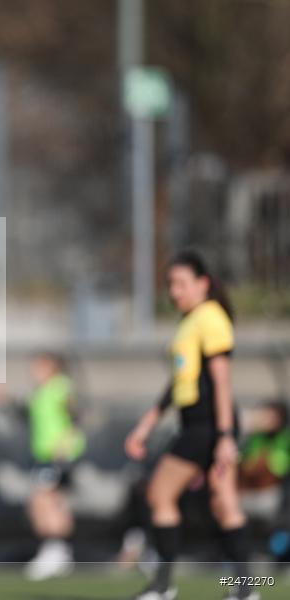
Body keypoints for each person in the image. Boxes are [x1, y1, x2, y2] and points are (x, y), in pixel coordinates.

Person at [125, 250, 256, 600]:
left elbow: (221, 380)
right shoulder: (189, 322)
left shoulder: (210, 317)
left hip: (208, 423)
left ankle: (163, 585)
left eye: (181, 283)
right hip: (200, 422)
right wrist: (148, 422)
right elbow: (180, 383)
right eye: (170, 284)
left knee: (160, 493)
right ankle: (245, 590)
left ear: (203, 283)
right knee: (223, 504)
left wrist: (225, 435)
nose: (174, 291)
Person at [22, 352, 84, 581]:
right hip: (44, 455)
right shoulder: (40, 392)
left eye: (38, 367)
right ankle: (58, 551)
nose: (33, 372)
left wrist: (66, 444)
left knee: (42, 501)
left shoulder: (61, 388)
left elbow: (75, 417)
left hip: (60, 455)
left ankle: (55, 550)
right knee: (49, 502)